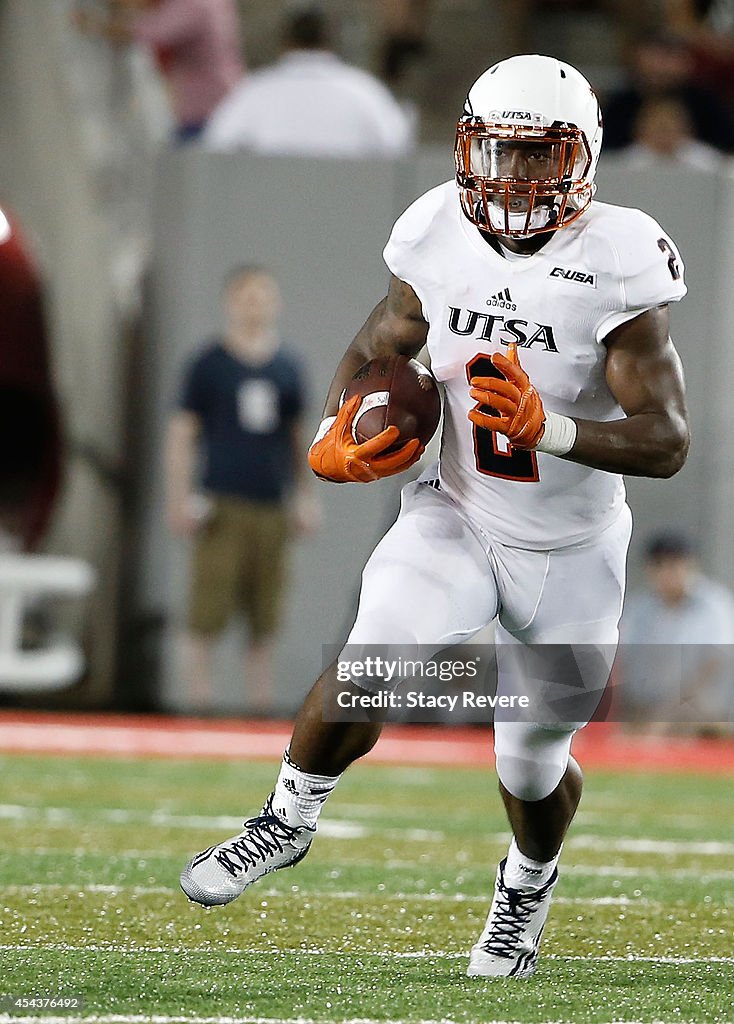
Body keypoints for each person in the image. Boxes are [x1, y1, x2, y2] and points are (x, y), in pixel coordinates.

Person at [180, 55, 690, 979]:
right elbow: (382, 340)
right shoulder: (433, 230)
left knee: (531, 764)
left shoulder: (619, 260)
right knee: (376, 654)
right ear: (466, 145)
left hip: (571, 547)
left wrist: (558, 428)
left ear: (582, 160)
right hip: (454, 508)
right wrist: (335, 430)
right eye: (497, 151)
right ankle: (287, 818)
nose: (512, 177)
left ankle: (526, 885)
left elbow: (667, 439)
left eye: (538, 157)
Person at [165, 267, 319, 713]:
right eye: (245, 296)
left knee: (265, 616)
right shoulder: (208, 365)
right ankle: (198, 707)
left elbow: (297, 437)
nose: (254, 305)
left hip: (271, 505)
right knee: (206, 612)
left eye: (262, 296)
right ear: (230, 302)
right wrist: (179, 498)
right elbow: (182, 435)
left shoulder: (288, 365)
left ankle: (259, 710)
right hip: (220, 502)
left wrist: (305, 496)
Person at [202, 6, 415, 157]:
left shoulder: (253, 91)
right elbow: (397, 146)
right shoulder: (365, 92)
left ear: (286, 42)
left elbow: (216, 147)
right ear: (328, 41)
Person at [74, 0, 244, 142]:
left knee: (177, 172)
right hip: (219, 105)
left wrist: (94, 25)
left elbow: (147, 31)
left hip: (207, 113)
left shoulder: (196, 5)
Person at [619, 532, 734, 734]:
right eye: (659, 565)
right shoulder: (639, 609)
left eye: (674, 565)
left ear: (691, 565)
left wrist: (665, 716)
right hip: (647, 707)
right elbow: (623, 663)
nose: (667, 573)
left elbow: (713, 665)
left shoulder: (715, 606)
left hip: (706, 709)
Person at [603, 30, 734, 152]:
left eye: (669, 55)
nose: (661, 66)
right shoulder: (619, 106)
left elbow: (726, 151)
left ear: (688, 61)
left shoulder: (708, 104)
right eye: (654, 55)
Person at [619, 94, 722, 170]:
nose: (664, 133)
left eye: (670, 126)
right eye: (658, 127)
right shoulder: (626, 163)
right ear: (640, 128)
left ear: (686, 127)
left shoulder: (706, 160)